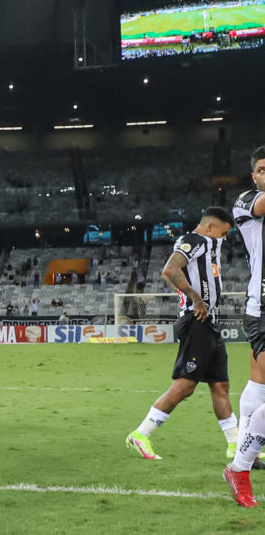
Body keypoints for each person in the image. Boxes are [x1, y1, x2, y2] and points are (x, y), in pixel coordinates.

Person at [126, 207, 236, 461]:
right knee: (186, 385)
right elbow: (170, 269)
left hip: (210, 324)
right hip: (197, 320)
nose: (225, 238)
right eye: (224, 233)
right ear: (210, 228)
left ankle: (235, 444)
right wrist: (196, 298)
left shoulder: (209, 245)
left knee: (221, 385)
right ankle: (141, 434)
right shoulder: (194, 241)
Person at [225, 146, 265, 506]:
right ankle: (240, 466)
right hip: (263, 308)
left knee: (259, 385)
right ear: (254, 176)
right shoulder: (246, 203)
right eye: (264, 170)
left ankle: (247, 450)